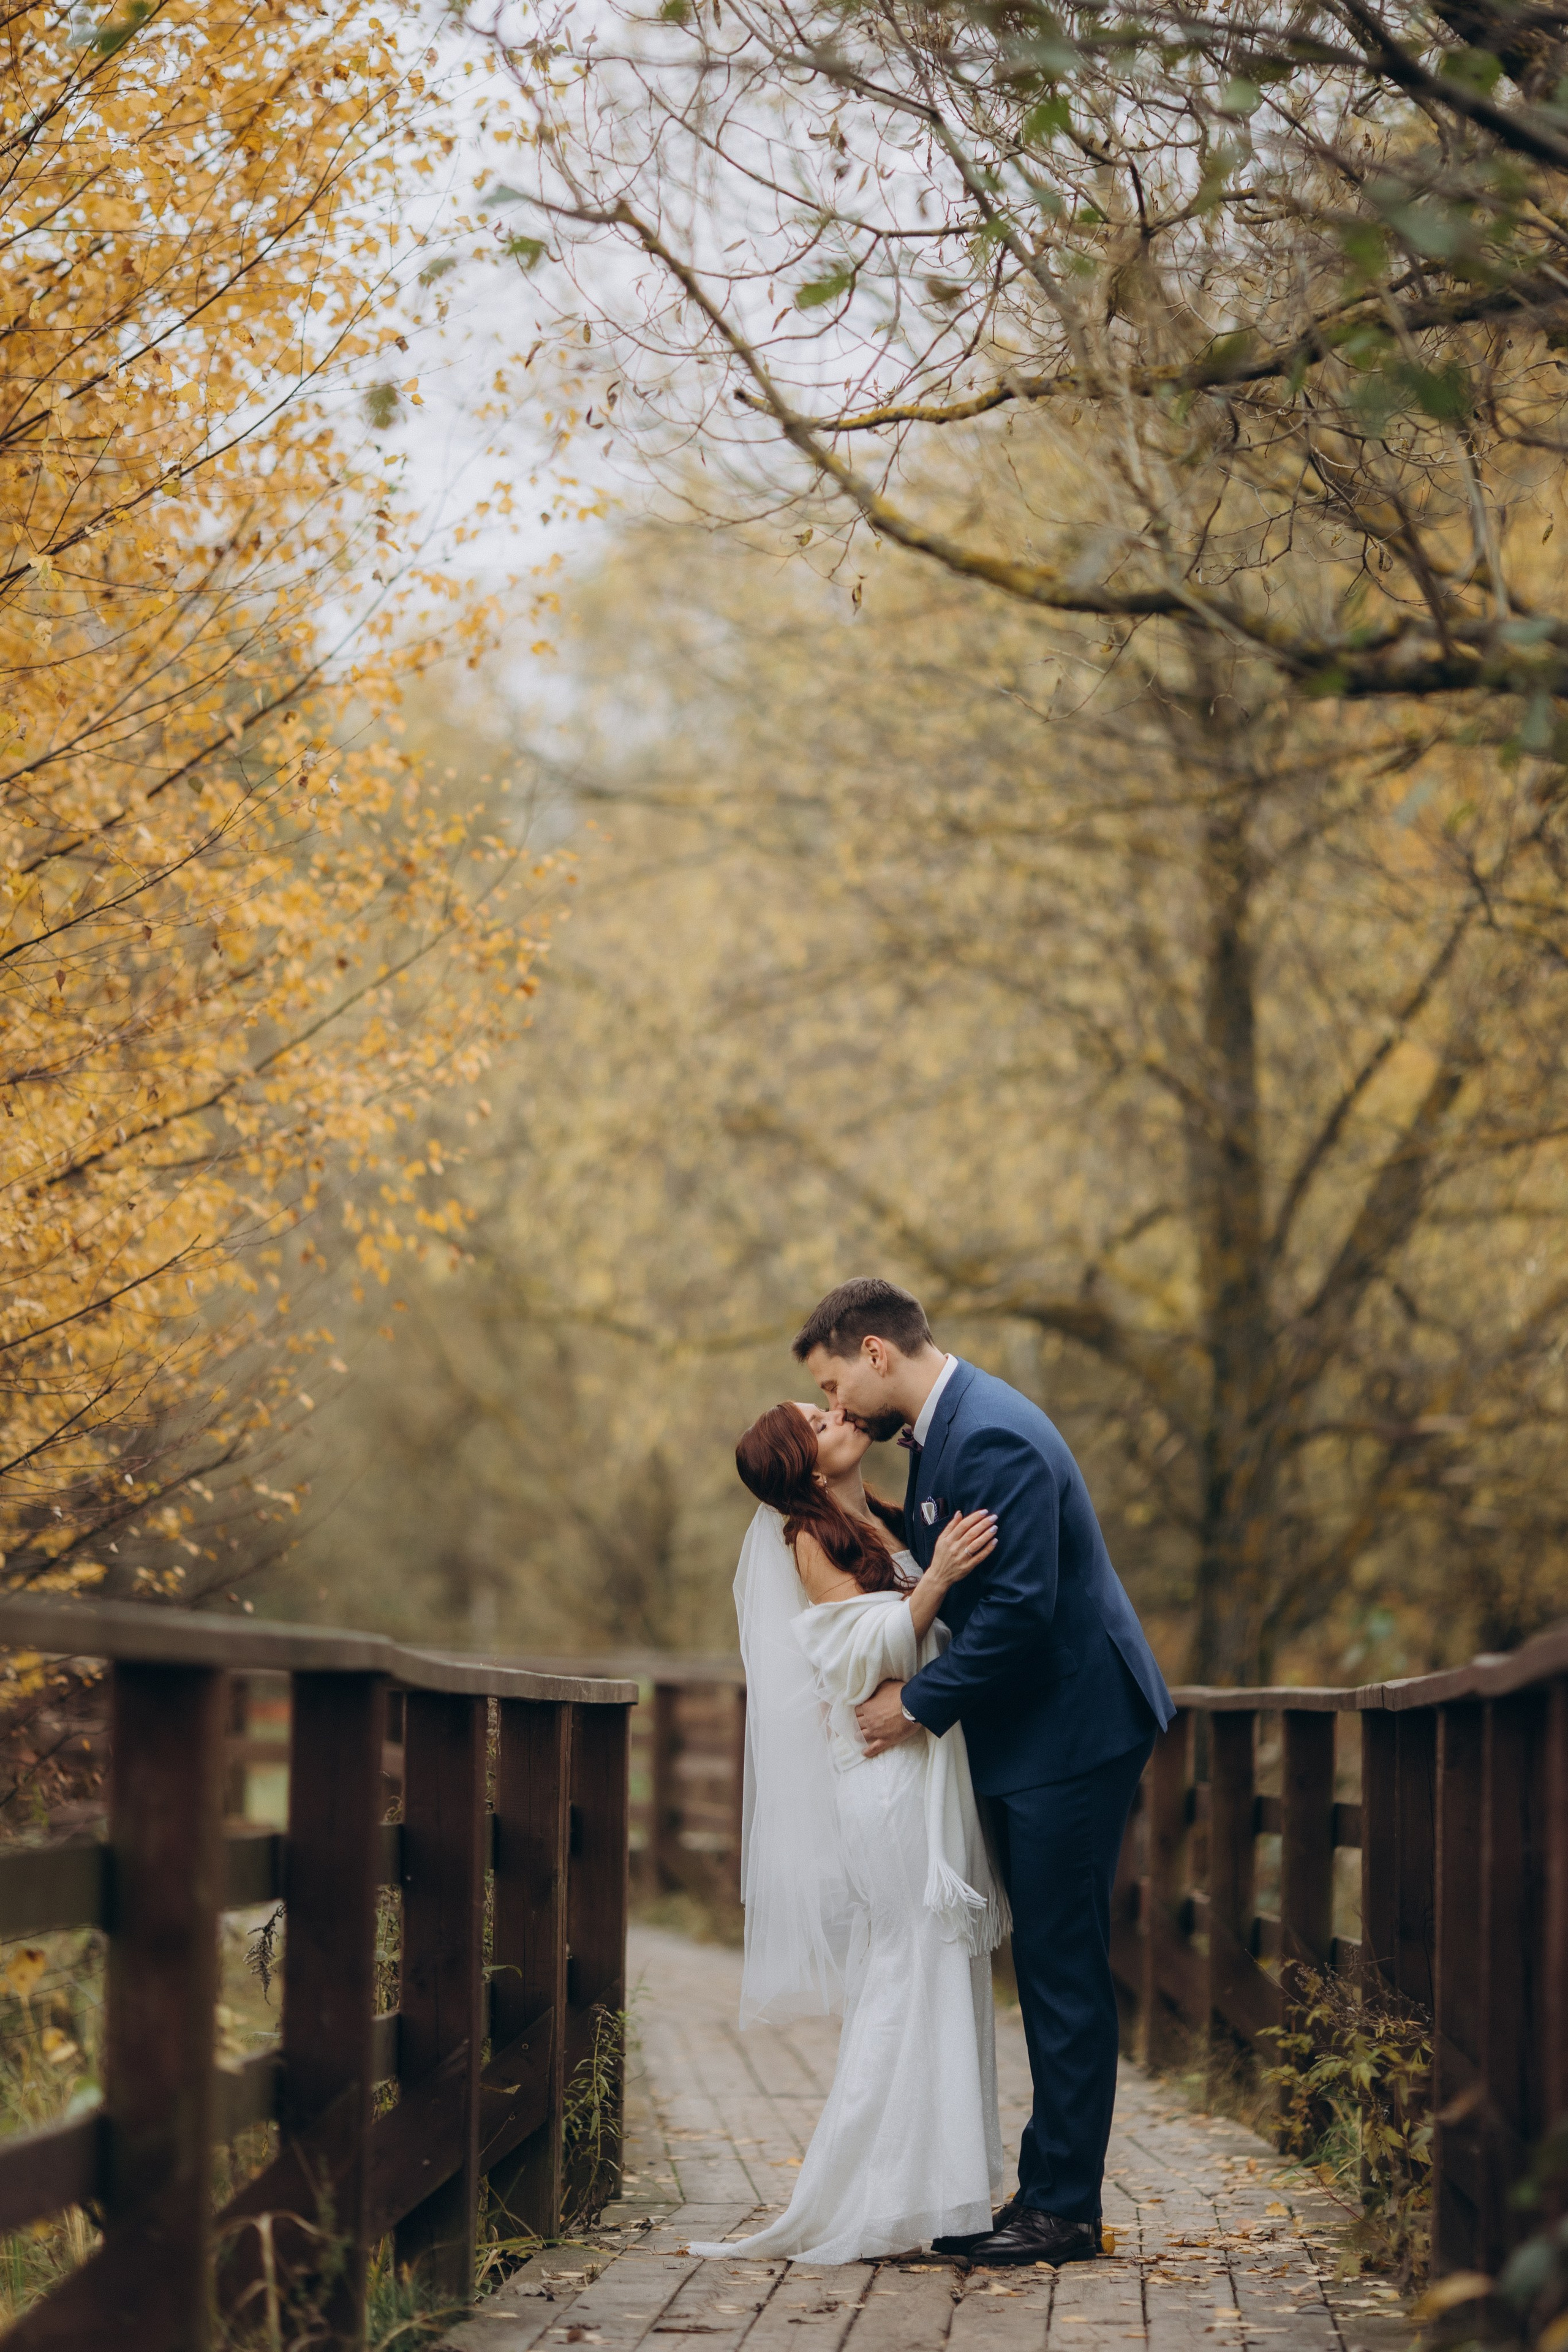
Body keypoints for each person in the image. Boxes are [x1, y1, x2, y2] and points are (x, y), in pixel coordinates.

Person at [794, 1275, 1175, 2269]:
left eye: (835, 1387)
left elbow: (1017, 1612)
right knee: (1047, 1961)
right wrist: (839, 1502)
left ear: (877, 1352)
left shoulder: (989, 1435)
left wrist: (912, 1708)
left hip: (1074, 1728)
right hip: (1035, 1728)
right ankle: (1045, 2190)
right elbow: (938, 1552)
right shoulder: (947, 1432)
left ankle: (1063, 2211)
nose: (836, 1410)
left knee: (1061, 1964)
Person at [687, 1396, 1009, 2266]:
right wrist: (937, 1579)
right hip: (886, 1779)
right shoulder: (809, 1536)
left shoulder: (886, 1518)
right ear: (807, 1463)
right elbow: (857, 1652)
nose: (836, 1416)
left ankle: (942, 2191)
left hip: (923, 1764)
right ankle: (884, 2197)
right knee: (913, 1966)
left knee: (940, 1965)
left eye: (829, 1407)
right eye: (817, 1421)